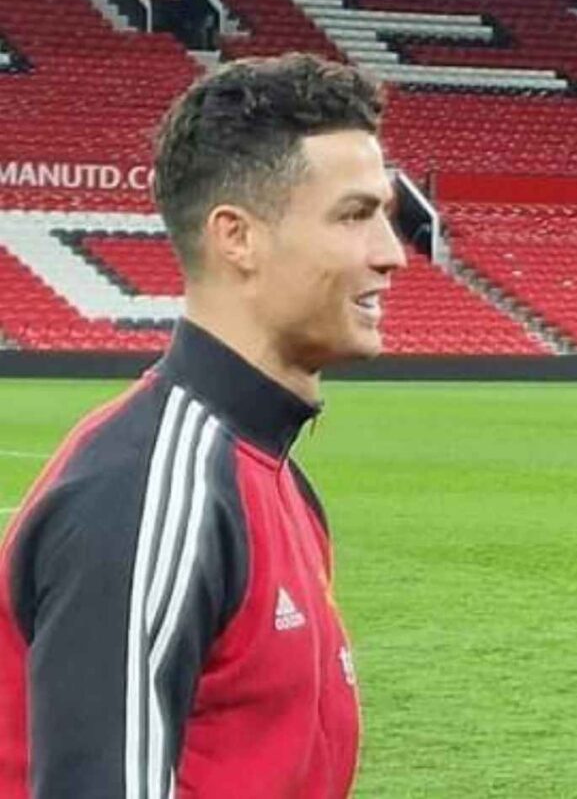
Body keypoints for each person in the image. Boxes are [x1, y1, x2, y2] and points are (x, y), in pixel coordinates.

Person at [0, 52, 405, 797]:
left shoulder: (270, 473)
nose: (392, 255)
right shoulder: (146, 490)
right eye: (355, 215)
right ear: (236, 238)